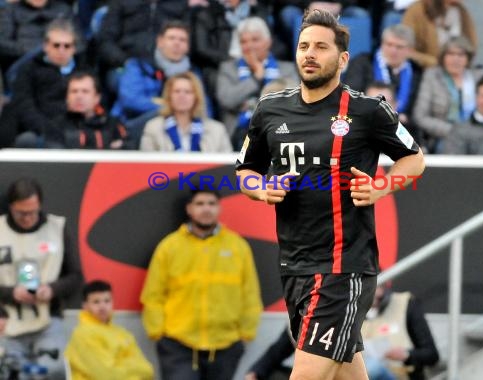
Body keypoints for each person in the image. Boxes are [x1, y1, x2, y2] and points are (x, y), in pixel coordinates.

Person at [236, 9, 425, 380]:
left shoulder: (367, 111)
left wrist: (380, 187)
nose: (309, 53)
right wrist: (261, 190)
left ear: (342, 59)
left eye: (321, 47)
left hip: (343, 268)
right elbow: (245, 170)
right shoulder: (270, 109)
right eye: (304, 46)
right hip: (294, 265)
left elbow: (414, 160)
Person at [140, 189, 263, 380]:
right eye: (200, 204)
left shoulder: (237, 247)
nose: (206, 209)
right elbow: (153, 294)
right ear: (189, 209)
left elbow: (250, 293)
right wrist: (158, 333)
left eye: (211, 204)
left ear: (219, 208)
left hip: (225, 346)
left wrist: (245, 333)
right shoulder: (170, 247)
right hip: (178, 345)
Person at [0, 178, 83, 379]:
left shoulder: (56, 227)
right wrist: (11, 293)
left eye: (32, 212)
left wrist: (51, 289)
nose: (28, 218)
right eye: (21, 213)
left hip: (47, 320)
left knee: (50, 371)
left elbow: (75, 276)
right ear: (11, 207)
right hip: (7, 321)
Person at [111, 20, 204, 147]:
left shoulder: (194, 74)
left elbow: (203, 107)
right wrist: (170, 107)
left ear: (188, 46)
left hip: (180, 128)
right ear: (160, 41)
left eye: (182, 40)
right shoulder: (138, 66)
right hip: (133, 128)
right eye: (171, 38)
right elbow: (130, 100)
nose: (177, 43)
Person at [216, 16, 298, 150]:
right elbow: (227, 100)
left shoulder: (287, 69)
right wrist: (256, 78)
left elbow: (293, 102)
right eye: (243, 42)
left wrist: (249, 103)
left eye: (255, 40)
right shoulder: (228, 68)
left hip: (280, 130)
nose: (249, 46)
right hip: (238, 133)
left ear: (268, 42)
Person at [9, 18, 86, 148]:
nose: (61, 50)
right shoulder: (28, 69)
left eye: (67, 46)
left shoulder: (85, 70)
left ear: (74, 48)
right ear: (46, 46)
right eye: (56, 45)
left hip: (79, 130)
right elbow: (24, 106)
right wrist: (48, 130)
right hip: (42, 131)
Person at [65, 280, 154, 380]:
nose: (102, 307)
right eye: (96, 302)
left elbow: (148, 370)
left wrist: (120, 366)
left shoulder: (122, 333)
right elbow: (107, 375)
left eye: (107, 301)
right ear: (85, 306)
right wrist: (132, 367)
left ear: (113, 302)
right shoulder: (83, 334)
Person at [344, 24, 422, 126]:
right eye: (389, 44)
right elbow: (350, 96)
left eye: (399, 47)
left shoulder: (416, 71)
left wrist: (406, 118)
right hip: (364, 123)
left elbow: (419, 109)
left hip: (403, 127)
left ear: (410, 50)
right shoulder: (363, 62)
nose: (393, 51)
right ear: (381, 44)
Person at [413, 36, 479, 153]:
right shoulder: (432, 76)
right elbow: (420, 117)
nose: (455, 59)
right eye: (451, 54)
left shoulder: (477, 77)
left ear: (468, 58)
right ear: (443, 57)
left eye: (460, 55)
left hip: (476, 135)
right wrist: (453, 131)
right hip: (444, 136)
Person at [140, 72, 232, 152]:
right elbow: (146, 166)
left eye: (188, 92)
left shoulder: (217, 130)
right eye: (177, 91)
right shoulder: (153, 128)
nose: (182, 96)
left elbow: (227, 167)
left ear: (196, 97)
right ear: (169, 96)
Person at [361, 285, 439, 380]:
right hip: (364, 373)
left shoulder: (406, 304)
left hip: (401, 374)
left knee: (373, 369)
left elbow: (432, 355)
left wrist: (406, 355)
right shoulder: (350, 312)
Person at [46, 71, 127, 149]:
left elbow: (128, 148)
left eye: (85, 91)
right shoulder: (55, 125)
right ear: (67, 97)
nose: (79, 96)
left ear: (97, 98)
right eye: (74, 91)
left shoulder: (113, 124)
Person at [402, 0, 477, 68]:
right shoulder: (417, 10)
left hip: (457, 71)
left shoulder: (462, 11)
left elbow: (471, 46)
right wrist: (435, 63)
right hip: (425, 71)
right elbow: (406, 49)